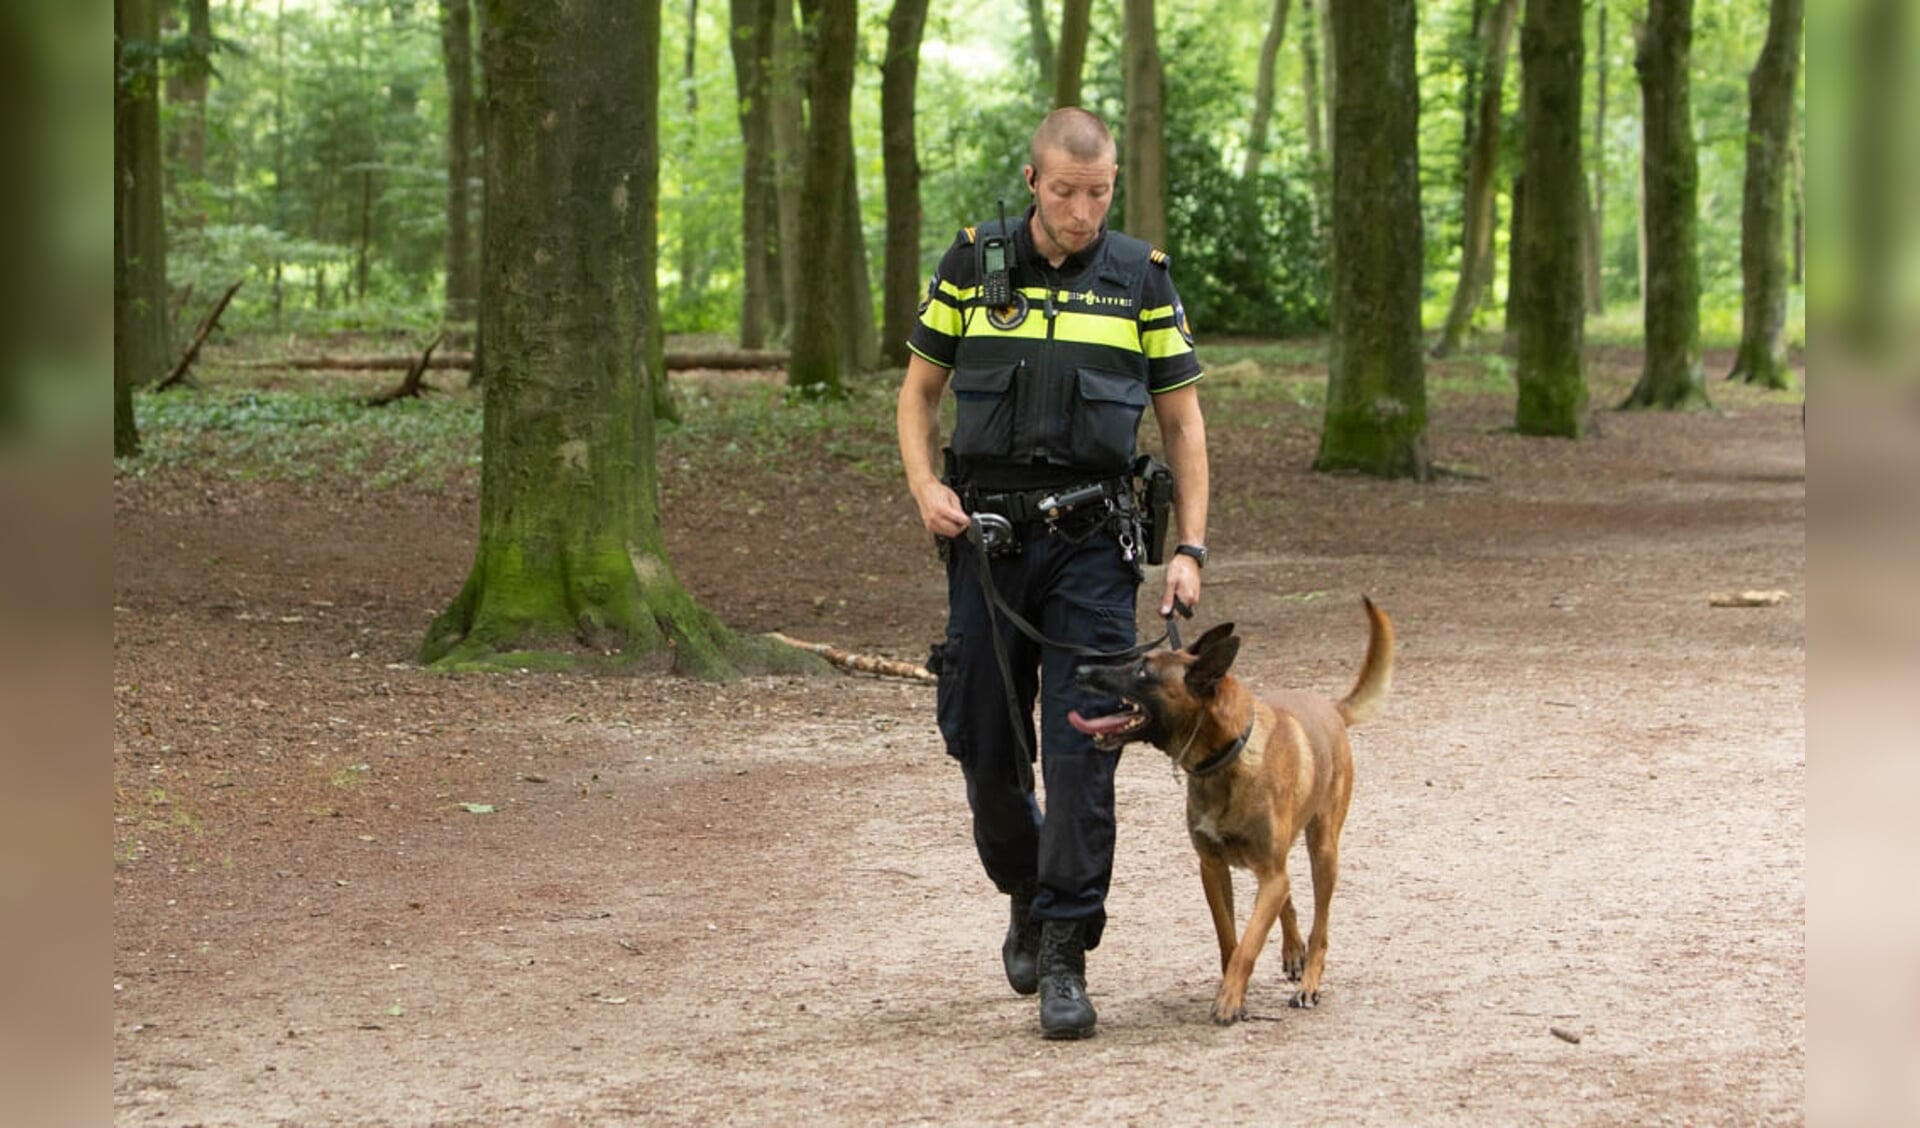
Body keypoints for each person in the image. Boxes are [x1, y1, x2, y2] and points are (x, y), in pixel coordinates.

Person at [895, 107, 1211, 1039]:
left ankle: (1068, 947)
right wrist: (922, 486)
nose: (1083, 212)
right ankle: (1027, 889)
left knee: (1084, 751)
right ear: (1032, 182)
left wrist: (1188, 551)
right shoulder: (970, 268)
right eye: (1066, 192)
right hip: (987, 546)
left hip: (1093, 548)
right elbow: (918, 396)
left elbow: (1184, 425)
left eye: (1100, 192)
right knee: (985, 744)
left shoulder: (1141, 281)